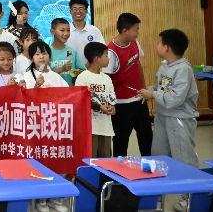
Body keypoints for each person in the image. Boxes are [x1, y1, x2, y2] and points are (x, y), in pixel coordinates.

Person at [138, 29, 197, 212]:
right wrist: (150, 91)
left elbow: (175, 98)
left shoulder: (183, 69)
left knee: (183, 157)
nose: (157, 46)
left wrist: (153, 94)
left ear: (167, 47)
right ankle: (157, 196)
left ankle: (189, 199)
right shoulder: (165, 65)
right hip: (163, 117)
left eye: (159, 42)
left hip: (179, 119)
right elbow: (163, 88)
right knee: (158, 156)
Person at [23, 42, 68, 212]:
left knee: (57, 161)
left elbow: (69, 97)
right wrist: (36, 87)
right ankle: (41, 198)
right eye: (37, 54)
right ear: (31, 58)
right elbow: (24, 99)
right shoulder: (27, 76)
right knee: (40, 162)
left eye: (44, 53)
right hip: (37, 127)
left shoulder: (57, 77)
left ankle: (55, 197)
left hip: (56, 126)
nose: (41, 57)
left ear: (49, 55)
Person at [104, 13, 152, 157]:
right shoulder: (111, 52)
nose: (137, 33)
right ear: (125, 31)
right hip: (121, 104)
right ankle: (119, 169)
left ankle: (149, 165)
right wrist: (110, 103)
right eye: (136, 30)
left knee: (146, 137)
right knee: (121, 141)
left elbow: (138, 64)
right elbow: (106, 80)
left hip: (139, 99)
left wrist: (143, 89)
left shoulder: (134, 42)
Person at [75, 42, 116, 158]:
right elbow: (80, 100)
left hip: (105, 127)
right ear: (97, 59)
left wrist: (112, 108)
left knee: (105, 161)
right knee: (90, 160)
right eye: (106, 55)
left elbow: (111, 99)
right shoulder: (83, 77)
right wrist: (99, 107)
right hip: (89, 128)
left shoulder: (107, 78)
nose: (108, 58)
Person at [66, 0, 105, 64]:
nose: (78, 11)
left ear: (86, 11)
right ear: (70, 11)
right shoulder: (65, 30)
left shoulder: (94, 30)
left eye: (81, 9)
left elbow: (102, 50)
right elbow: (60, 50)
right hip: (70, 68)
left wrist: (90, 63)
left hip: (90, 68)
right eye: (74, 9)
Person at [49, 18, 86, 85]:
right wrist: (61, 69)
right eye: (62, 30)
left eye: (68, 30)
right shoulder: (46, 52)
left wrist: (76, 72)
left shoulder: (71, 51)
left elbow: (83, 72)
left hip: (70, 90)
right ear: (52, 31)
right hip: (52, 90)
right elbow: (45, 76)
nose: (66, 33)